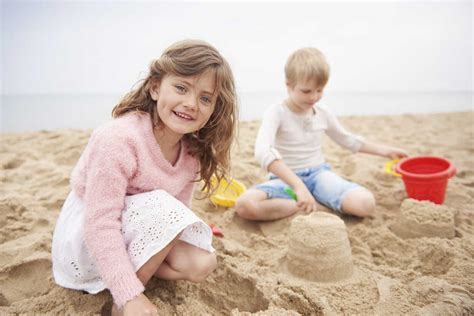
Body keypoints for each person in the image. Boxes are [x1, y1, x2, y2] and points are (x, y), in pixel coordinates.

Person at [51, 39, 237, 316]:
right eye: (181, 88)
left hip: (139, 226)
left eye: (205, 98)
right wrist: (132, 296)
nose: (191, 104)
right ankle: (124, 300)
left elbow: (178, 210)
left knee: (202, 263)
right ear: (154, 87)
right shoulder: (118, 138)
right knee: (164, 211)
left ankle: (125, 276)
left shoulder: (191, 153)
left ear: (214, 109)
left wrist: (189, 228)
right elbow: (99, 223)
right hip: (87, 237)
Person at [235, 47, 407, 221]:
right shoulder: (277, 112)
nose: (314, 97)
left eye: (319, 90)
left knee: (365, 203)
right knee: (245, 205)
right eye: (306, 91)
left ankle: (311, 202)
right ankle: (313, 206)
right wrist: (298, 186)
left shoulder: (323, 113)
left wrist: (385, 151)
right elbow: (263, 151)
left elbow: (348, 140)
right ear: (289, 85)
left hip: (319, 176)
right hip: (286, 181)